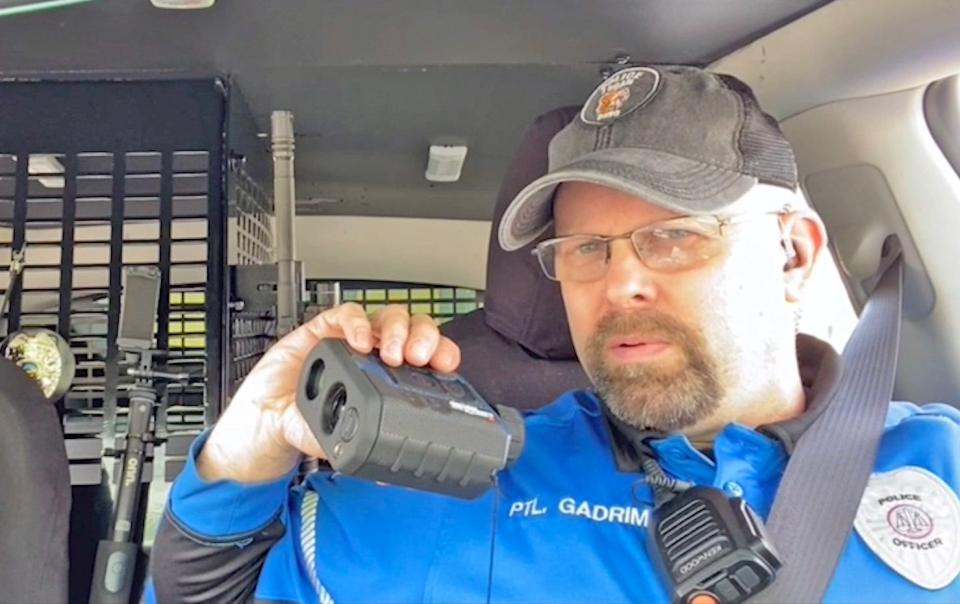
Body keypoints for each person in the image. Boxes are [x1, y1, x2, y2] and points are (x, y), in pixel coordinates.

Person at [148, 65, 960, 603]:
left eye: (675, 235)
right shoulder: (451, 489)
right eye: (584, 250)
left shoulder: (943, 469)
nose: (620, 282)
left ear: (793, 254)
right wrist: (240, 454)